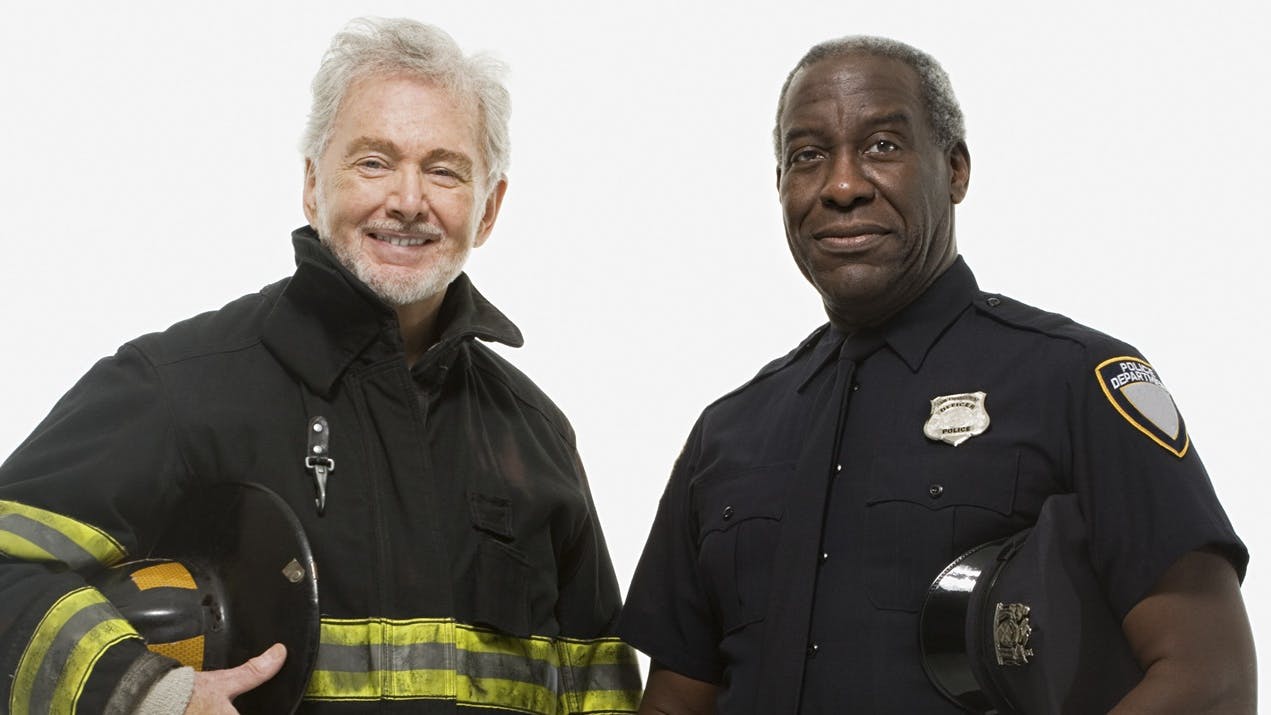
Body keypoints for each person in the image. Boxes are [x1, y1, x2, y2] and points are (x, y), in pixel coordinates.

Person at [0, 17, 640, 715]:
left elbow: (599, 692)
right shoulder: (181, 386)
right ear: (313, 184)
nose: (406, 199)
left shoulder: (535, 436)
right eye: (373, 161)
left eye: (443, 169)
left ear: (488, 208)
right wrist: (149, 693)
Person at [617, 35, 1255, 714]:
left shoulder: (1077, 382)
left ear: (955, 169)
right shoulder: (726, 433)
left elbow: (1207, 680)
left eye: (882, 146)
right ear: (779, 186)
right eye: (806, 157)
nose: (841, 185)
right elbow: (676, 699)